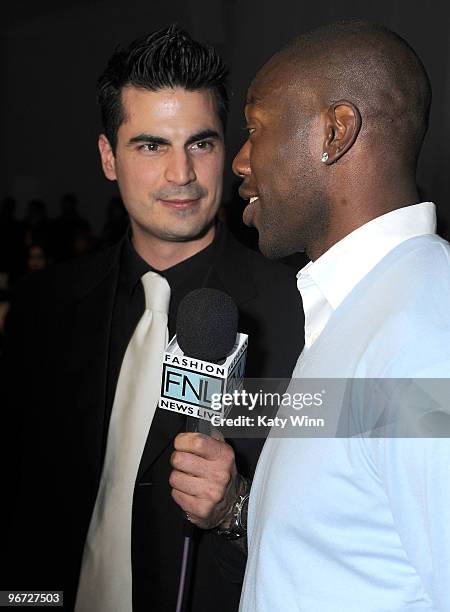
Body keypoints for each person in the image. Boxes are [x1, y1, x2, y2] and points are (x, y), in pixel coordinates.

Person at [0, 25, 303, 612]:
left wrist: (236, 507)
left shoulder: (296, 312)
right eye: (151, 146)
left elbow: (341, 518)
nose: (181, 175)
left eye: (201, 143)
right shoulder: (44, 308)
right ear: (109, 157)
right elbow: (19, 505)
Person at [230, 21, 450, 612]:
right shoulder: (359, 308)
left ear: (336, 131)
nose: (240, 160)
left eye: (255, 128)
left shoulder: (425, 333)